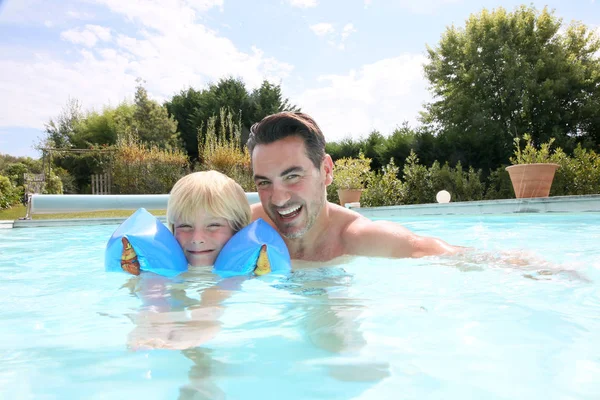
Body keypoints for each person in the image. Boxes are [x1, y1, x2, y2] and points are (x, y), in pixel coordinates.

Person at [247, 112, 463, 262]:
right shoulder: (243, 223)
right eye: (264, 182)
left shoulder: (360, 238)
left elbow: (446, 254)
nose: (278, 199)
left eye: (293, 176)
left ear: (326, 170)